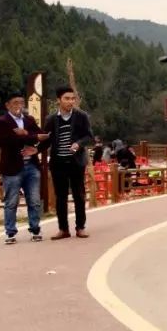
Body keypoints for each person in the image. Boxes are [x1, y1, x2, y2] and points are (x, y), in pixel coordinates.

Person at [0, 88, 48, 244]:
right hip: (12, 167)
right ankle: (10, 232)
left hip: (31, 165)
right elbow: (7, 142)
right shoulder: (2, 122)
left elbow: (43, 137)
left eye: (21, 102)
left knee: (34, 200)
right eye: (15, 103)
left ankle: (35, 228)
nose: (19, 105)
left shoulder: (29, 120)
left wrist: (31, 141)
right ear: (8, 105)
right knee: (11, 201)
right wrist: (28, 136)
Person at [39, 86, 93, 239]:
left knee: (79, 195)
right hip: (58, 163)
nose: (70, 101)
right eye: (67, 98)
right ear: (59, 100)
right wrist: (34, 149)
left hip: (76, 162)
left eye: (72, 98)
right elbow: (46, 140)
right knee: (60, 196)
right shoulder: (51, 119)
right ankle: (63, 229)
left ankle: (80, 227)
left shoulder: (81, 116)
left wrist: (78, 144)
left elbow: (89, 137)